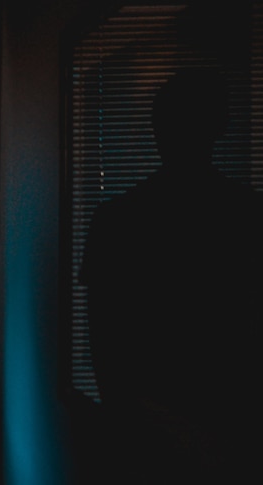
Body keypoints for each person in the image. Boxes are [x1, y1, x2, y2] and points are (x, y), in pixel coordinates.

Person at [80, 67, 263, 484]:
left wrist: (129, 421)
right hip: (230, 422)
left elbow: (104, 342)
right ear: (220, 126)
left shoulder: (116, 219)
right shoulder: (249, 215)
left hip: (155, 427)